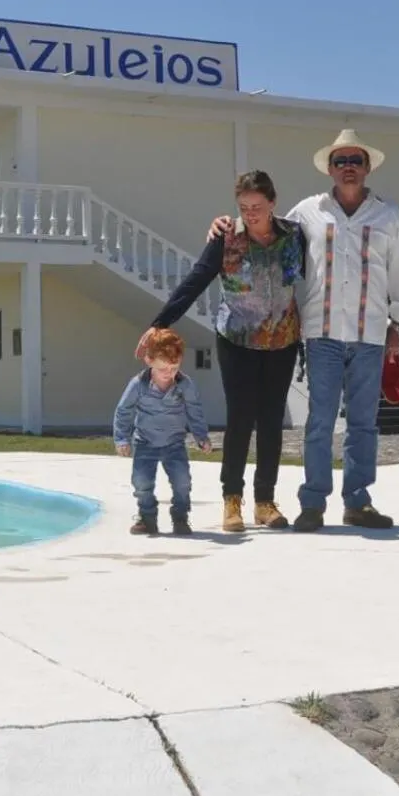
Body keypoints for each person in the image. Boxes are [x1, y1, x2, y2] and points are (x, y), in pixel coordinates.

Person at [208, 129, 399, 532]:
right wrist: (225, 222)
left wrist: (398, 324)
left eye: (355, 160)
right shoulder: (308, 212)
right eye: (340, 161)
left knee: (364, 423)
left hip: (370, 332)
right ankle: (313, 503)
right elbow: (263, 224)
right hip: (321, 333)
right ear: (330, 169)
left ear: (367, 167)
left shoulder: (389, 215)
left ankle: (358, 502)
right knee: (319, 420)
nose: (348, 168)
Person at [137, 170, 306, 533]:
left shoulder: (294, 235)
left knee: (272, 420)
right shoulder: (226, 237)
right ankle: (232, 500)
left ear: (273, 203)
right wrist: (160, 322)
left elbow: (317, 273)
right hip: (237, 340)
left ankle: (265, 501)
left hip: (282, 340)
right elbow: (196, 280)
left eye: (257, 207)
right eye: (244, 207)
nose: (251, 214)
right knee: (241, 417)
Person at [113, 328, 212, 535]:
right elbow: (124, 411)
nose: (169, 374)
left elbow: (195, 411)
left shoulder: (184, 385)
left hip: (174, 443)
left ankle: (180, 517)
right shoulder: (138, 384)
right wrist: (122, 438)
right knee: (141, 483)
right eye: (163, 368)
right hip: (145, 442)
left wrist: (201, 437)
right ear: (148, 360)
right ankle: (147, 517)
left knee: (183, 483)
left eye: (174, 367)